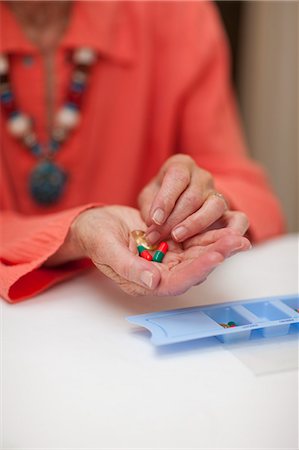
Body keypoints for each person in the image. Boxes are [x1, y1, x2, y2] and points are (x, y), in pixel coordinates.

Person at [0, 1, 284, 303]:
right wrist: (73, 233)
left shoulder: (176, 13)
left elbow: (255, 196)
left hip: (132, 314)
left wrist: (199, 210)